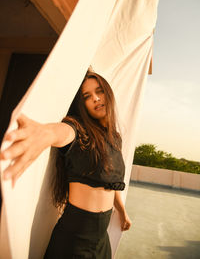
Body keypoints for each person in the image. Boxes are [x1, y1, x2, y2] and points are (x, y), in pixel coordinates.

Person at [1, 71, 131, 258]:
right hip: (74, 240)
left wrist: (123, 212)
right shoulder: (79, 129)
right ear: (82, 104)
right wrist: (45, 134)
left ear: (108, 94)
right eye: (87, 96)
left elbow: (111, 183)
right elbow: (62, 132)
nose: (95, 98)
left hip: (102, 240)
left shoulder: (115, 139)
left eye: (99, 91)